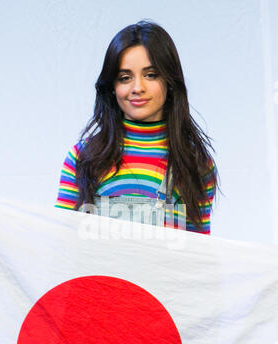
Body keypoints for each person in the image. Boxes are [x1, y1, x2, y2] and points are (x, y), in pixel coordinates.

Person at [55, 20, 219, 234]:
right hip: (97, 269)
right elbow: (63, 240)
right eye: (125, 78)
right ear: (112, 87)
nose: (137, 88)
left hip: (165, 269)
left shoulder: (195, 164)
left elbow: (197, 254)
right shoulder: (83, 157)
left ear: (170, 81)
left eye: (151, 75)